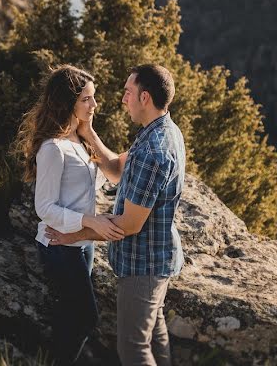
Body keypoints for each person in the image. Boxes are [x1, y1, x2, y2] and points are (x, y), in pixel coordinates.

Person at [46, 64, 186, 366]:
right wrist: (88, 133)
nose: (123, 99)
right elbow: (117, 171)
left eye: (128, 92)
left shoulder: (154, 151)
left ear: (144, 97)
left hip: (143, 264)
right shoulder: (160, 131)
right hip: (157, 258)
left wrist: (75, 233)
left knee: (133, 349)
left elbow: (129, 225)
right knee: (155, 335)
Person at [15, 65, 126, 365]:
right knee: (85, 317)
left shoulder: (80, 139)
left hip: (82, 245)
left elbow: (114, 176)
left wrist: (89, 131)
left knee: (69, 316)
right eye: (86, 99)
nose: (94, 104)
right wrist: (92, 221)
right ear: (68, 103)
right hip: (59, 246)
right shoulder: (53, 148)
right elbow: (45, 207)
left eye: (93, 97)